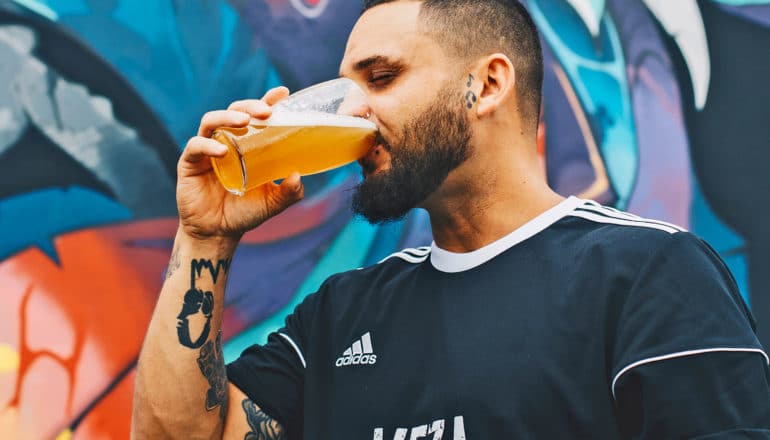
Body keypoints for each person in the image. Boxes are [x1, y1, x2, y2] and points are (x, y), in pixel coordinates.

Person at [131, 0, 770, 438]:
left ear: (487, 85)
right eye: (346, 87)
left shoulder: (649, 273)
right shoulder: (341, 315)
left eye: (381, 77)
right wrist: (205, 236)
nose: (352, 111)